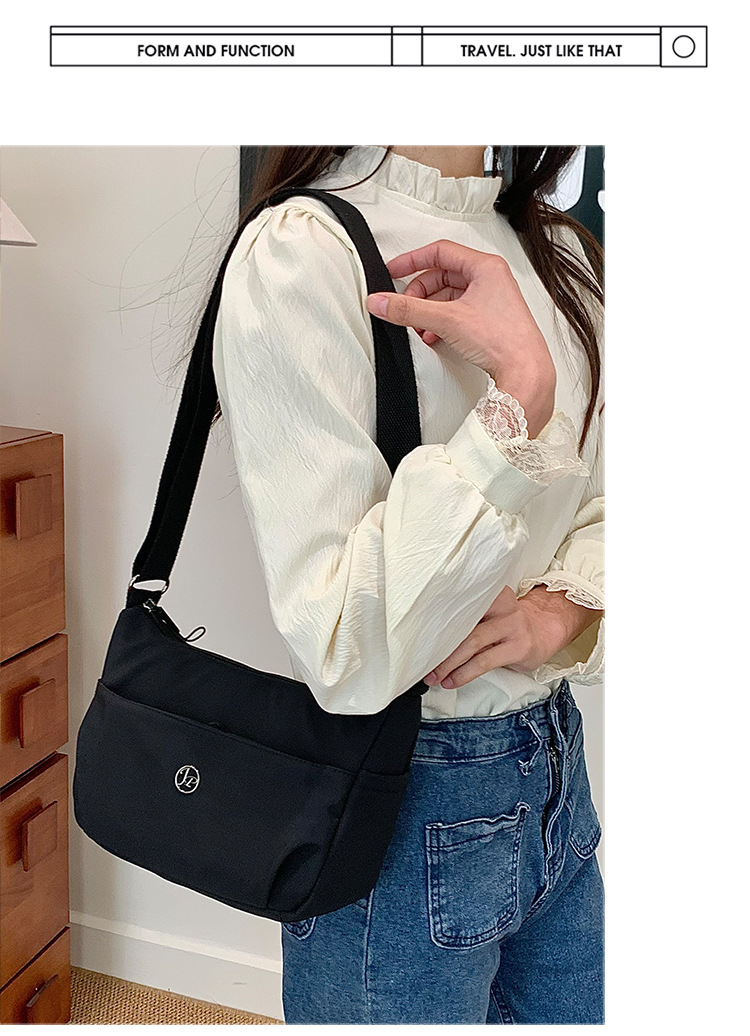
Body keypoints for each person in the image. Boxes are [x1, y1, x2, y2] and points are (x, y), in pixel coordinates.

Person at [210, 145, 604, 1024]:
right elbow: (342, 646)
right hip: (400, 793)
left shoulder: (559, 253)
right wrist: (520, 393)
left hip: (557, 773)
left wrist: (555, 613)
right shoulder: (305, 249)